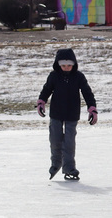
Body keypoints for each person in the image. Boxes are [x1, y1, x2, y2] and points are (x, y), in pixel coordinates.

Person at [37, 48, 98, 180]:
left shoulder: (79, 76)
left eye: (69, 65)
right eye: (63, 65)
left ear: (74, 64)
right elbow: (46, 89)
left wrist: (92, 108)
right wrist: (41, 102)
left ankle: (69, 168)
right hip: (56, 113)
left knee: (69, 142)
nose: (66, 68)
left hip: (72, 113)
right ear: (58, 64)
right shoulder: (53, 76)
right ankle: (56, 163)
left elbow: (87, 92)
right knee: (55, 139)